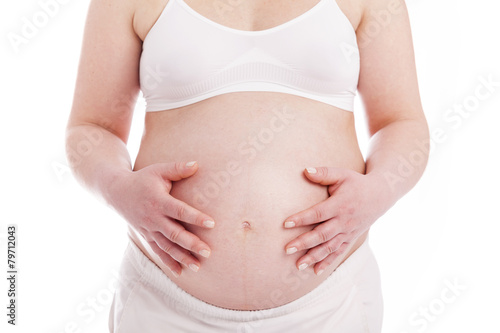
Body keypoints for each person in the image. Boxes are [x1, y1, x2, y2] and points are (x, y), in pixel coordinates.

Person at [65, 0, 429, 331]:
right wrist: (116, 187)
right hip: (163, 302)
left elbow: (401, 122)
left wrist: (379, 190)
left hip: (329, 303)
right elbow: (91, 127)